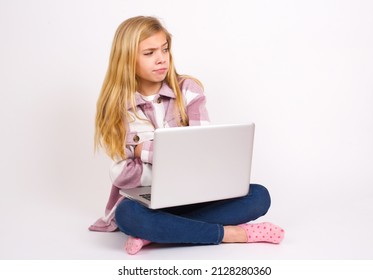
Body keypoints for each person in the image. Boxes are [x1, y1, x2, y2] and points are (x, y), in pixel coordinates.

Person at [89, 16, 284, 255]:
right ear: (127, 60)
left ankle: (156, 233)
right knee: (127, 215)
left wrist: (143, 151)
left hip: (194, 195)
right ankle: (231, 234)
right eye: (149, 53)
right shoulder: (119, 106)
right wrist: (177, 159)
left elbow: (202, 148)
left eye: (165, 49)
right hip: (149, 201)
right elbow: (121, 174)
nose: (161, 58)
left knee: (259, 196)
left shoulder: (188, 89)